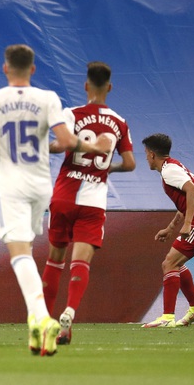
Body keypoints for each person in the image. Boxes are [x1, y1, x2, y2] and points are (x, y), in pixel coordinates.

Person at [0, 44, 111, 356]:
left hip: (11, 184)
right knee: (28, 250)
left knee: (18, 253)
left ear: (5, 68)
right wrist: (95, 148)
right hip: (40, 186)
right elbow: (66, 141)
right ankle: (38, 324)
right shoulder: (47, 99)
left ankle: (41, 318)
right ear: (33, 70)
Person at [41, 61, 136, 345]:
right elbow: (130, 164)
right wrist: (105, 166)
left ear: (85, 85)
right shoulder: (119, 122)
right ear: (109, 87)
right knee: (80, 263)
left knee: (54, 260)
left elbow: (61, 144)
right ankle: (69, 313)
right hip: (94, 201)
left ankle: (45, 323)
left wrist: (51, 146)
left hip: (64, 195)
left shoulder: (71, 114)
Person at [141, 133, 194, 328]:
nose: (145, 157)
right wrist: (171, 228)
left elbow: (193, 191)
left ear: (152, 154)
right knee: (173, 263)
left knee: (169, 263)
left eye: (145, 153)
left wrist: (187, 224)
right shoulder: (172, 167)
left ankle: (167, 318)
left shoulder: (169, 171)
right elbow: (186, 199)